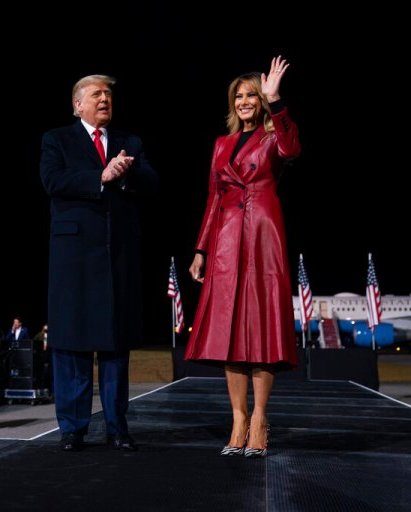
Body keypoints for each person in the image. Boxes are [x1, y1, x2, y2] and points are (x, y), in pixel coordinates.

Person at [184, 56, 300, 458]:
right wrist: (200, 249)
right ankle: (237, 417)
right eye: (240, 96)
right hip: (227, 240)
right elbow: (213, 198)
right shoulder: (220, 145)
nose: (245, 101)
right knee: (228, 332)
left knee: (260, 329)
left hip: (264, 234)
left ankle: (260, 418)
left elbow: (292, 148)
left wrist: (278, 102)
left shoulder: (274, 135)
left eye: (252, 95)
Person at [40, 74, 159, 452]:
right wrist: (100, 176)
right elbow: (52, 181)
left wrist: (126, 176)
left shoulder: (130, 142)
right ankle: (72, 428)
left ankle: (116, 426)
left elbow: (152, 182)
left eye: (108, 93)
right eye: (97, 94)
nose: (105, 98)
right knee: (72, 344)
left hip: (117, 257)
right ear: (78, 104)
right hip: (74, 260)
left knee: (114, 345)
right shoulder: (56, 139)